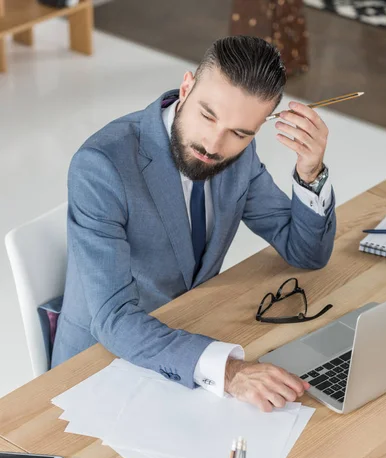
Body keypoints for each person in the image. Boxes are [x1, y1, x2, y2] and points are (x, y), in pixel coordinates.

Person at [52, 35, 336, 412]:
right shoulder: (102, 165)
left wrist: (310, 171)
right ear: (186, 88)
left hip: (189, 338)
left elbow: (306, 253)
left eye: (239, 132)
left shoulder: (239, 155)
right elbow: (114, 319)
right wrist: (231, 373)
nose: (214, 145)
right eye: (208, 115)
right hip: (99, 368)